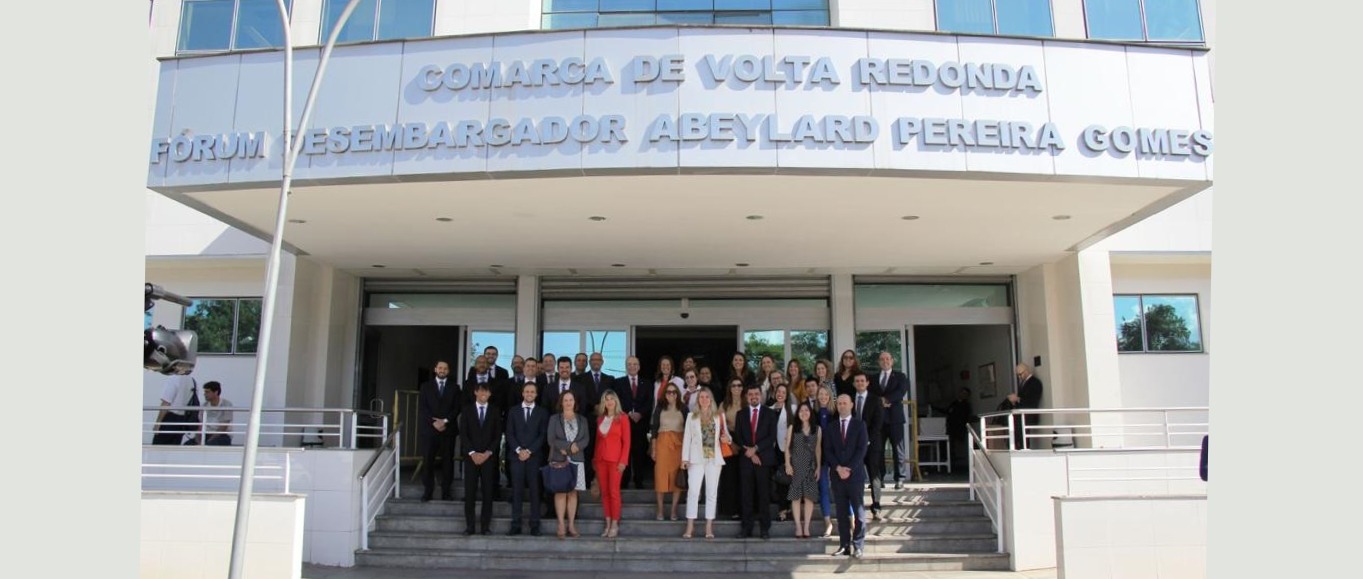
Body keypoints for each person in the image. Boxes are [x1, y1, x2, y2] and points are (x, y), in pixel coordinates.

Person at [825, 394, 868, 559]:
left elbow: (861, 449)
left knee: (859, 512)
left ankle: (858, 545)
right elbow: (828, 451)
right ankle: (844, 545)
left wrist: (848, 468)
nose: (842, 406)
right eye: (840, 403)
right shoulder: (831, 427)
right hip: (837, 476)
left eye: (845, 403)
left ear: (851, 405)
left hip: (855, 475)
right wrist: (838, 468)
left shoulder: (860, 425)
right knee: (842, 514)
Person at [681, 388, 727, 540]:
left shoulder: (718, 416)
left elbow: (727, 437)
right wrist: (684, 459)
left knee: (712, 493)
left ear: (711, 399)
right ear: (698, 400)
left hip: (714, 459)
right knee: (693, 492)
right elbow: (687, 438)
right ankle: (690, 525)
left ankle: (709, 526)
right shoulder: (691, 416)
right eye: (702, 397)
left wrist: (727, 439)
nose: (705, 399)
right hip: (696, 459)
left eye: (707, 397)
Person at [734, 384, 777, 540]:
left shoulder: (770, 414)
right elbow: (738, 437)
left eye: (756, 394)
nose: (753, 396)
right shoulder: (741, 414)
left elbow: (772, 436)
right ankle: (747, 528)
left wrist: (756, 449)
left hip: (763, 460)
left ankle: (764, 529)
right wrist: (750, 453)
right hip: (746, 460)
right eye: (750, 394)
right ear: (747, 396)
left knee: (763, 495)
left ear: (761, 396)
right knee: (746, 495)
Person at [506, 381, 548, 536]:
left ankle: (534, 524)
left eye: (532, 392)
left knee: (535, 492)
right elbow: (509, 433)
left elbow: (542, 435)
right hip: (517, 457)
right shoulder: (513, 411)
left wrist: (529, 451)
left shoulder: (542, 412)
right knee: (516, 491)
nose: (529, 394)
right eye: (527, 391)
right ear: (522, 393)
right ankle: (516, 524)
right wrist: (519, 450)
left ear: (536, 394)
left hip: (534, 457)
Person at [459, 381, 501, 535]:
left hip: (488, 459)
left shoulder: (495, 411)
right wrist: (472, 453)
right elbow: (463, 433)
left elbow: (497, 435)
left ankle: (485, 527)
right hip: (471, 458)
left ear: (490, 394)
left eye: (487, 392)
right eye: (481, 391)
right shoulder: (467, 410)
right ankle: (470, 526)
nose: (484, 394)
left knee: (488, 493)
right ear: (475, 392)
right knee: (470, 493)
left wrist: (487, 453)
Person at [548, 390, 590, 539]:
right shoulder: (554, 419)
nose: (568, 402)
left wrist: (577, 446)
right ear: (561, 402)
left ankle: (571, 524)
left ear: (574, 402)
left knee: (573, 493)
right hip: (560, 459)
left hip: (577, 459)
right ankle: (560, 524)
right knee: (561, 492)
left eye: (570, 400)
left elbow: (586, 438)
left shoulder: (582, 420)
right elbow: (551, 439)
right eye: (565, 400)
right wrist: (568, 446)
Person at [418, 361, 459, 502]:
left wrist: (445, 421)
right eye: (440, 368)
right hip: (430, 430)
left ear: (448, 371)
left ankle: (446, 492)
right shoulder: (425, 387)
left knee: (448, 461)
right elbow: (423, 408)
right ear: (435, 369)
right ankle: (427, 491)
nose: (442, 370)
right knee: (428, 460)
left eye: (445, 368)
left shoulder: (455, 387)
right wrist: (434, 422)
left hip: (448, 430)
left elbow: (456, 408)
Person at [593, 390, 631, 538]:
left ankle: (615, 523)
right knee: (605, 492)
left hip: (616, 461)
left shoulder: (623, 418)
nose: (609, 402)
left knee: (614, 492)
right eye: (606, 399)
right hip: (601, 460)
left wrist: (623, 461)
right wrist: (595, 460)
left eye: (612, 399)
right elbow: (597, 442)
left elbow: (627, 442)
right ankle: (607, 522)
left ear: (616, 401)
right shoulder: (600, 419)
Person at [650, 383, 688, 521]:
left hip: (679, 445)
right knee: (660, 476)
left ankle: (673, 511)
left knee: (676, 478)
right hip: (662, 443)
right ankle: (660, 510)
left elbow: (688, 429)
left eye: (674, 392)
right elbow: (654, 429)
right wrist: (653, 448)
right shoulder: (659, 408)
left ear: (678, 394)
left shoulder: (684, 408)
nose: (671, 394)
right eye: (668, 392)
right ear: (664, 394)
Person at [785, 402, 822, 539]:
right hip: (796, 466)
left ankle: (806, 526)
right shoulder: (792, 428)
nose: (804, 413)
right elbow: (787, 448)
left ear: (810, 412)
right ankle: (798, 527)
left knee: (809, 497)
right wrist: (788, 464)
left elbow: (818, 449)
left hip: (810, 466)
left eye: (806, 410)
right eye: (801, 411)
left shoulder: (817, 429)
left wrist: (818, 466)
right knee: (796, 497)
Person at [615, 356, 653, 490]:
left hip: (640, 424)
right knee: (624, 453)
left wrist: (640, 414)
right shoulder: (618, 382)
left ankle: (639, 481)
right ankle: (624, 481)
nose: (632, 366)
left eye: (635, 364)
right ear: (626, 366)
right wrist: (628, 414)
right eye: (629, 364)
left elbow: (650, 402)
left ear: (639, 366)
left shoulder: (647, 383)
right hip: (624, 423)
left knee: (639, 453)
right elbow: (616, 402)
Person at [852, 372, 886, 520]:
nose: (859, 383)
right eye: (857, 381)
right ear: (854, 384)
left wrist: (867, 439)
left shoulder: (876, 400)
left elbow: (878, 423)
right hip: (854, 445)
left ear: (867, 383)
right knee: (856, 476)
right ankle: (857, 506)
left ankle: (876, 506)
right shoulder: (849, 399)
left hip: (872, 443)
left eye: (862, 381)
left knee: (874, 475)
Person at [875, 351, 910, 488]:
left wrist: (886, 399)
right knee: (878, 450)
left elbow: (901, 392)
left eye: (887, 359)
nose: (885, 361)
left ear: (892, 361)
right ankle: (879, 478)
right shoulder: (873, 378)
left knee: (898, 449)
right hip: (879, 419)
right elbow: (870, 392)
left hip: (895, 418)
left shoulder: (900, 376)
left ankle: (899, 478)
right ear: (879, 362)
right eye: (882, 359)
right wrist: (879, 401)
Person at [717, 377, 747, 520]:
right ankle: (730, 509)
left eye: (739, 385)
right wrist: (730, 443)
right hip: (728, 440)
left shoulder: (747, 402)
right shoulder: (724, 404)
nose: (736, 388)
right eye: (733, 385)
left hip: (746, 441)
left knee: (744, 476)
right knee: (729, 476)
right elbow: (719, 425)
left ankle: (744, 509)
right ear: (730, 388)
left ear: (742, 387)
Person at [812, 385, 838, 537]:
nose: (822, 396)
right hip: (819, 456)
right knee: (823, 489)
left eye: (825, 394)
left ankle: (851, 520)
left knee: (840, 488)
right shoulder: (813, 413)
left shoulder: (835, 413)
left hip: (835, 455)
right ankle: (827, 522)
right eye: (820, 394)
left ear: (830, 396)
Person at [769, 380, 795, 522]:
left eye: (783, 392)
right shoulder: (769, 409)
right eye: (778, 392)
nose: (780, 394)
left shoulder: (793, 409)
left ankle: (787, 508)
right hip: (774, 450)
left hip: (788, 449)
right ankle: (782, 508)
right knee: (779, 480)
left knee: (788, 478)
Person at [153, 374, 199, 445]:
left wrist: (158, 423)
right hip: (183, 420)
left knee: (159, 447)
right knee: (174, 447)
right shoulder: (193, 381)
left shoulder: (174, 379)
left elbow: (166, 403)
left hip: (170, 419)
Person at [937, 387, 974, 469]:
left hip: (960, 428)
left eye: (965, 394)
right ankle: (949, 463)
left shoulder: (966, 405)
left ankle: (956, 465)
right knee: (949, 446)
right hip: (951, 427)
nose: (962, 395)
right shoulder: (954, 403)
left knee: (957, 447)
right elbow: (947, 411)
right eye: (962, 392)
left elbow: (966, 417)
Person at [1010, 363, 1044, 450]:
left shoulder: (1035, 383)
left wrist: (1017, 399)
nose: (1019, 377)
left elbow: (1032, 400)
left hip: (1028, 415)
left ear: (1026, 371)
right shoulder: (1023, 383)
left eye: (1020, 374)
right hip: (1020, 416)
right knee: (1018, 437)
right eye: (1018, 375)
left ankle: (1024, 450)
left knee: (1024, 438)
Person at [201, 381, 234, 446]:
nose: (204, 394)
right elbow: (200, 425)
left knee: (211, 444)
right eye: (204, 392)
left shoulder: (226, 404)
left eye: (207, 392)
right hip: (206, 434)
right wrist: (199, 441)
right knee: (188, 444)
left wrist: (209, 441)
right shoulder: (204, 406)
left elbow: (223, 427)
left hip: (222, 435)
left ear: (216, 392)